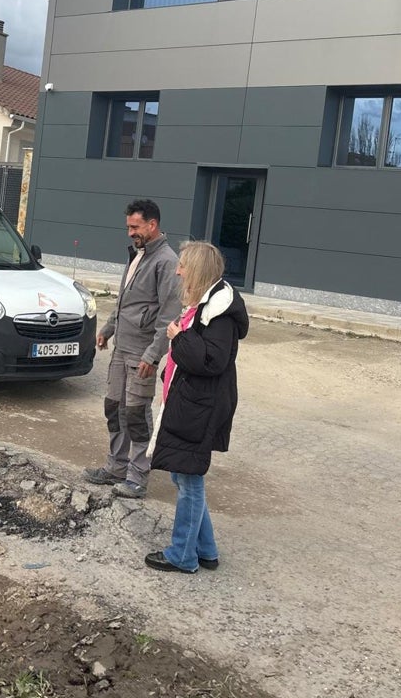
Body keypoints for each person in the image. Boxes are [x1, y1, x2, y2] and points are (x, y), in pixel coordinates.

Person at [143, 241, 248, 573]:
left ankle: (182, 556)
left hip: (201, 406)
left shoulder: (219, 314)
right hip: (190, 402)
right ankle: (205, 549)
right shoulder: (203, 306)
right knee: (183, 474)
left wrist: (177, 337)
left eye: (183, 265)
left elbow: (211, 361)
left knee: (188, 478)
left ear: (198, 270)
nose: (177, 270)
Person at [83, 199, 182, 499]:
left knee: (137, 414)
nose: (130, 232)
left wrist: (153, 355)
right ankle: (116, 467)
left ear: (153, 225)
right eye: (128, 227)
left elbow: (169, 314)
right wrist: (108, 328)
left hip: (141, 353)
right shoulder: (137, 255)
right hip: (121, 349)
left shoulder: (166, 261)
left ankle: (137, 478)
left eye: (135, 227)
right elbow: (126, 301)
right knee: (114, 408)